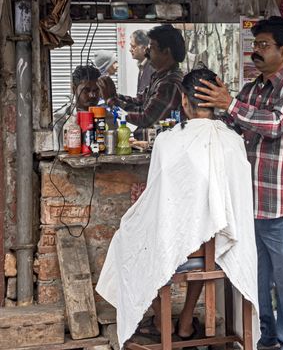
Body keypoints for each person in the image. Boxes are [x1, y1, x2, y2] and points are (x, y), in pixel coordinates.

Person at [96, 67, 259, 349]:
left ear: (184, 102)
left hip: (183, 244)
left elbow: (162, 206)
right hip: (223, 245)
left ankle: (162, 322)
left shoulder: (167, 141)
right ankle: (185, 322)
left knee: (137, 238)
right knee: (197, 230)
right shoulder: (234, 141)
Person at [194, 16, 283, 350]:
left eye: (264, 45)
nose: (256, 51)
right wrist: (207, 115)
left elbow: (277, 124)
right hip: (253, 208)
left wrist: (230, 104)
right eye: (255, 45)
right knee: (256, 285)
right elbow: (235, 132)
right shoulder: (252, 90)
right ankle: (266, 343)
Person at [97, 24, 185, 133]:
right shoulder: (159, 77)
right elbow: (140, 101)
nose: (147, 52)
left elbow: (146, 118)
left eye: (151, 48)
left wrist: (111, 100)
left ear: (166, 52)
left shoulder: (170, 84)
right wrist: (114, 95)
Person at [53, 65, 101, 150]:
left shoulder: (108, 118)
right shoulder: (61, 120)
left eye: (96, 90)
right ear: (74, 89)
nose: (92, 95)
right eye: (86, 90)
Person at [129, 29, 155, 94]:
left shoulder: (152, 68)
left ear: (144, 48)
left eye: (133, 46)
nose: (130, 50)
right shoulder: (142, 65)